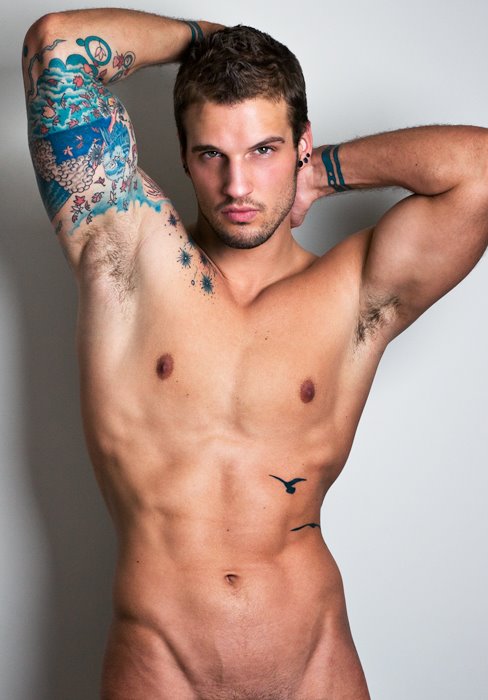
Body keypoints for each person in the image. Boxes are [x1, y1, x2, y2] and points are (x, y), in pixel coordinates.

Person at [22, 8, 487, 699]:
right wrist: (204, 40)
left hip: (314, 664)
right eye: (213, 154)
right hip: (161, 664)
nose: (238, 186)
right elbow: (56, 46)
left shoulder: (352, 292)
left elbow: (480, 170)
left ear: (300, 145)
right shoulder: (126, 254)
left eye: (264, 151)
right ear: (184, 155)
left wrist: (322, 173)